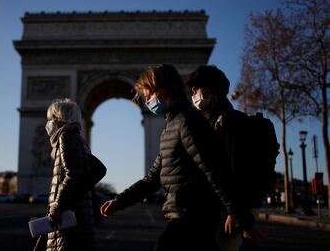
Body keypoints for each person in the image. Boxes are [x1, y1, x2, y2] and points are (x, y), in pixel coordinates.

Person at [100, 64, 261, 251]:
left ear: (161, 88)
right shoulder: (171, 126)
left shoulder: (187, 121)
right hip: (185, 215)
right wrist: (119, 201)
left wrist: (240, 217)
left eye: (149, 94)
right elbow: (153, 178)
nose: (147, 100)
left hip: (193, 215)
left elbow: (214, 169)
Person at [185, 65, 260, 251]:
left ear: (212, 90)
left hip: (224, 212)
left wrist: (235, 213)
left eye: (196, 89)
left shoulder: (230, 121)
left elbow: (239, 169)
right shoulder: (208, 121)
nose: (193, 95)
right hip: (208, 209)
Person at [42, 98, 97, 251]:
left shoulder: (66, 137)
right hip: (79, 214)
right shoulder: (80, 140)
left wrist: (56, 207)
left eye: (51, 119)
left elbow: (72, 175)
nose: (48, 123)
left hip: (68, 215)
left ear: (60, 118)